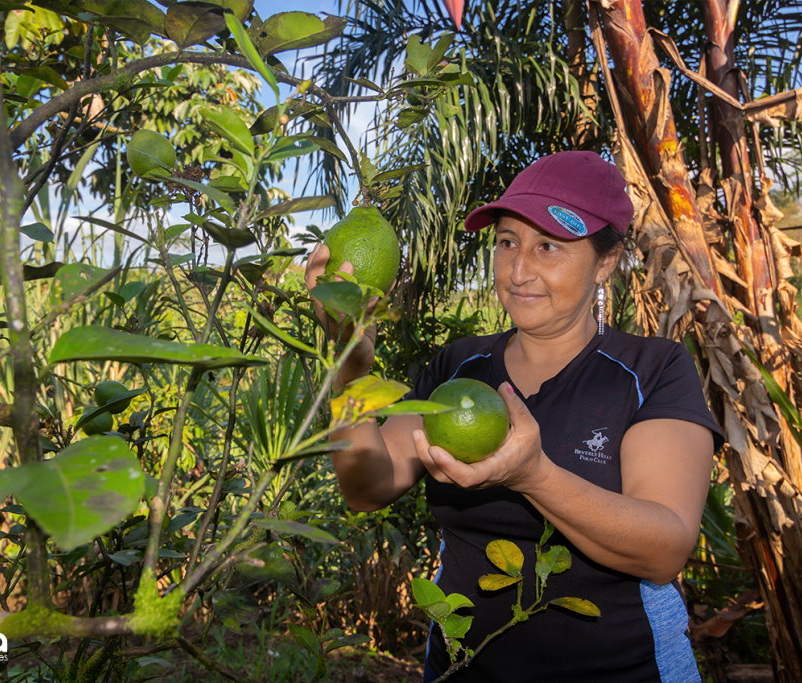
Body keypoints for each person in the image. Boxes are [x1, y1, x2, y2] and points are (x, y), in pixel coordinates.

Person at [304, 151, 725, 682]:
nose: (519, 271)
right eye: (507, 243)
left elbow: (664, 551)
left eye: (548, 246)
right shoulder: (460, 367)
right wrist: (349, 364)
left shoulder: (651, 370)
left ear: (605, 263)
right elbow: (367, 488)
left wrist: (534, 476)